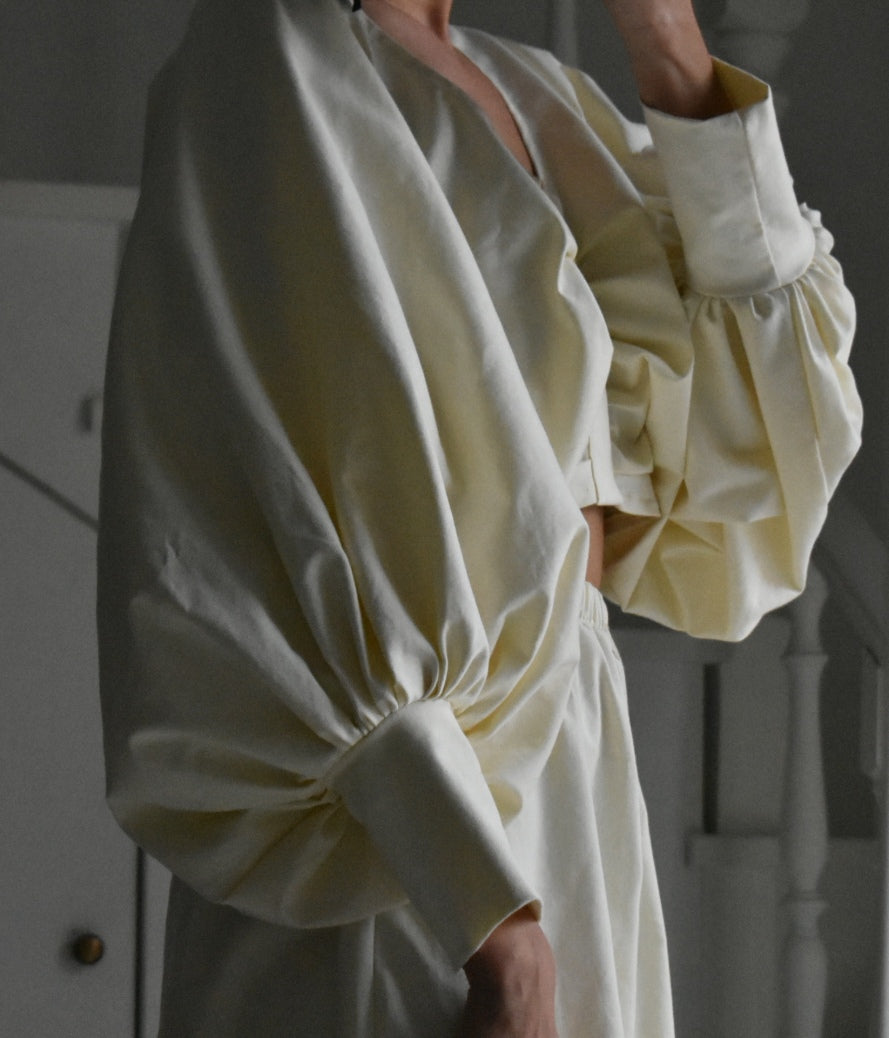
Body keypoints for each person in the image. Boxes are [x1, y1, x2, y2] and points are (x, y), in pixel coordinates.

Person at [96, 0, 862, 1033]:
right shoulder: (273, 51)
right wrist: (491, 922)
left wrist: (666, 42)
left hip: (566, 760)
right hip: (393, 830)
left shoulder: (537, 94)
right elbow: (266, 510)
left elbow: (771, 426)